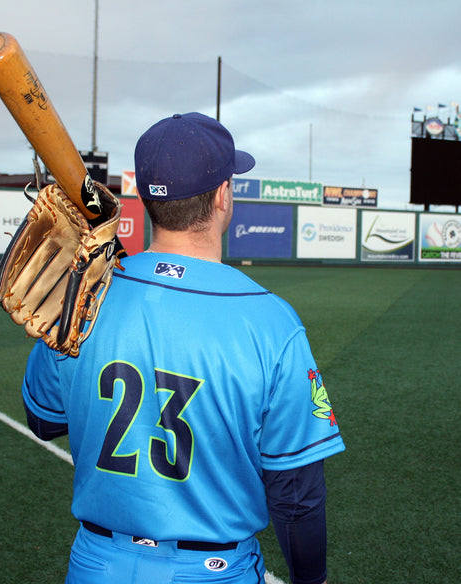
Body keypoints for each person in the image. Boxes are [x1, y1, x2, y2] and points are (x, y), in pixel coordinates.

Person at [21, 112, 345, 584]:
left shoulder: (85, 299)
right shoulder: (272, 322)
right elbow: (296, 495)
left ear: (147, 201)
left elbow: (43, 420)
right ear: (222, 196)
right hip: (214, 570)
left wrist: (60, 322)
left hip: (96, 565)